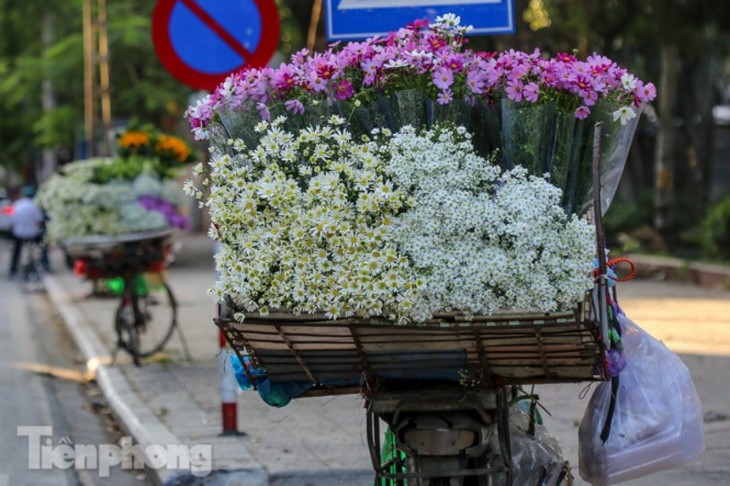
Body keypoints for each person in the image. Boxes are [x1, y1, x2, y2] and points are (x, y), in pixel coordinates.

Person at [8, 185, 49, 278]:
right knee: (43, 246)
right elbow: (40, 221)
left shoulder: (16, 204)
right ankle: (46, 265)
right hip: (33, 234)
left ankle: (13, 269)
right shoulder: (35, 205)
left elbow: (12, 221)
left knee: (16, 251)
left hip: (19, 234)